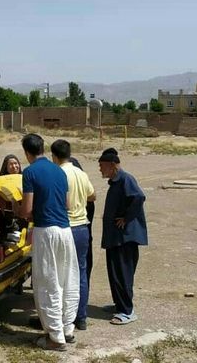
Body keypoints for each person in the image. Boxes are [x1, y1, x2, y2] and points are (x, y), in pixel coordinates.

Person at [16, 133, 79, 351]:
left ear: (26, 152)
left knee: (47, 283)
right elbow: (68, 205)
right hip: (65, 230)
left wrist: (15, 208)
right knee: (67, 279)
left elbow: (26, 210)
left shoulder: (30, 172)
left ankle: (55, 338)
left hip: (47, 232)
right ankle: (66, 329)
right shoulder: (60, 172)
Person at [98, 148, 147, 325]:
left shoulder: (126, 179)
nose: (100, 170)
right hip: (115, 237)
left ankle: (127, 311)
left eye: (102, 166)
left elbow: (139, 197)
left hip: (125, 238)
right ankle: (120, 304)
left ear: (112, 165)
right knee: (115, 272)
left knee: (123, 273)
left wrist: (126, 218)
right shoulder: (115, 181)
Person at [51, 140, 96, 331]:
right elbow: (92, 196)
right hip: (82, 229)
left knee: (61, 275)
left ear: (54, 156)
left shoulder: (58, 174)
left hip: (65, 227)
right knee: (81, 273)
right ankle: (81, 317)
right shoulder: (81, 173)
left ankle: (63, 318)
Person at [69, 157, 96, 286]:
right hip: (85, 236)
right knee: (83, 269)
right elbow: (93, 196)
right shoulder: (87, 197)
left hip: (72, 233)